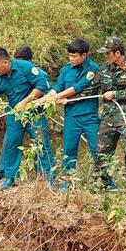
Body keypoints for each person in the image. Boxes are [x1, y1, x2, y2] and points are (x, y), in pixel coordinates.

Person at [0, 48, 55, 191]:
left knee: (42, 145)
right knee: (11, 146)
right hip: (15, 115)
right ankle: (9, 178)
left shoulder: (25, 67)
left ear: (6, 62)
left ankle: (50, 178)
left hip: (35, 113)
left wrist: (26, 101)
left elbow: (43, 85)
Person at [37, 39, 100, 190]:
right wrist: (43, 99)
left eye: (74, 56)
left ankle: (104, 182)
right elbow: (58, 86)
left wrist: (55, 97)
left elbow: (77, 88)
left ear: (84, 55)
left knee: (97, 149)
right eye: (69, 56)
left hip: (89, 116)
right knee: (69, 150)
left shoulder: (93, 69)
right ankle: (66, 183)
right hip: (71, 116)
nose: (71, 59)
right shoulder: (67, 68)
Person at [94, 37, 126, 192]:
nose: (106, 56)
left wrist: (115, 93)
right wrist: (67, 98)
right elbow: (91, 88)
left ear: (117, 53)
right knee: (103, 151)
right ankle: (102, 183)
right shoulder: (104, 70)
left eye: (108, 53)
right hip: (109, 117)